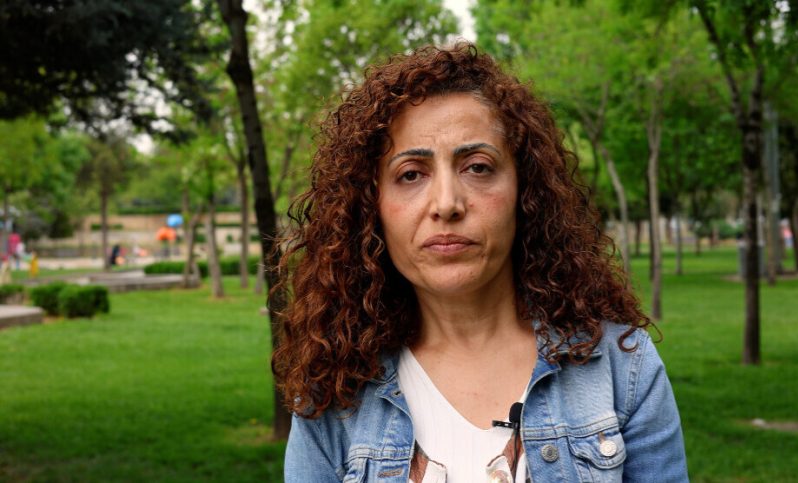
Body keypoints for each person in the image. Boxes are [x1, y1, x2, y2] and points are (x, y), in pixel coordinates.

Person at [274, 43, 688, 482]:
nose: (447, 204)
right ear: (370, 208)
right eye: (410, 174)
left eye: (477, 167)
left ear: (524, 192)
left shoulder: (622, 368)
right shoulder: (333, 393)